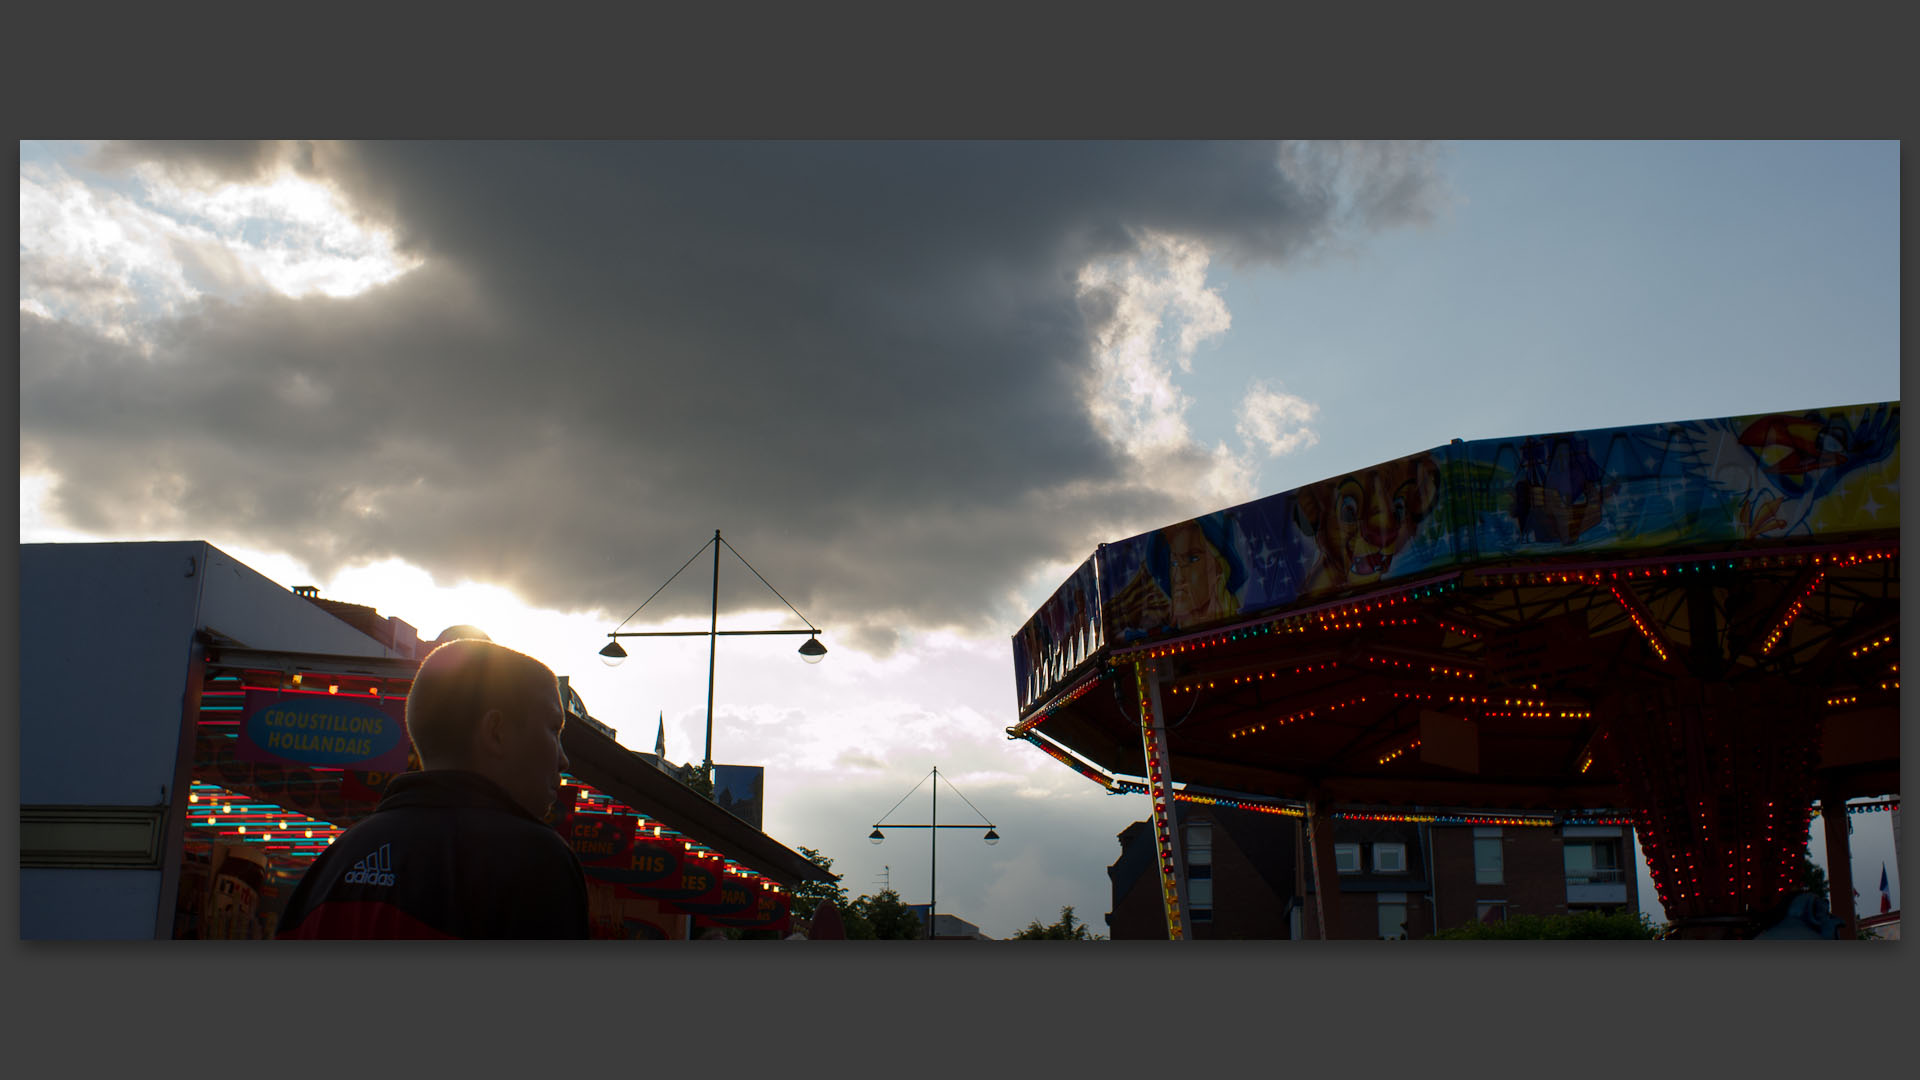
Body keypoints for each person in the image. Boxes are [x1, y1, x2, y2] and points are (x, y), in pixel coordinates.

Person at [276, 638, 590, 939]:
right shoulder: (534, 861)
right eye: (553, 729)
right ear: (497, 731)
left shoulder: (329, 866)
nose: (563, 760)